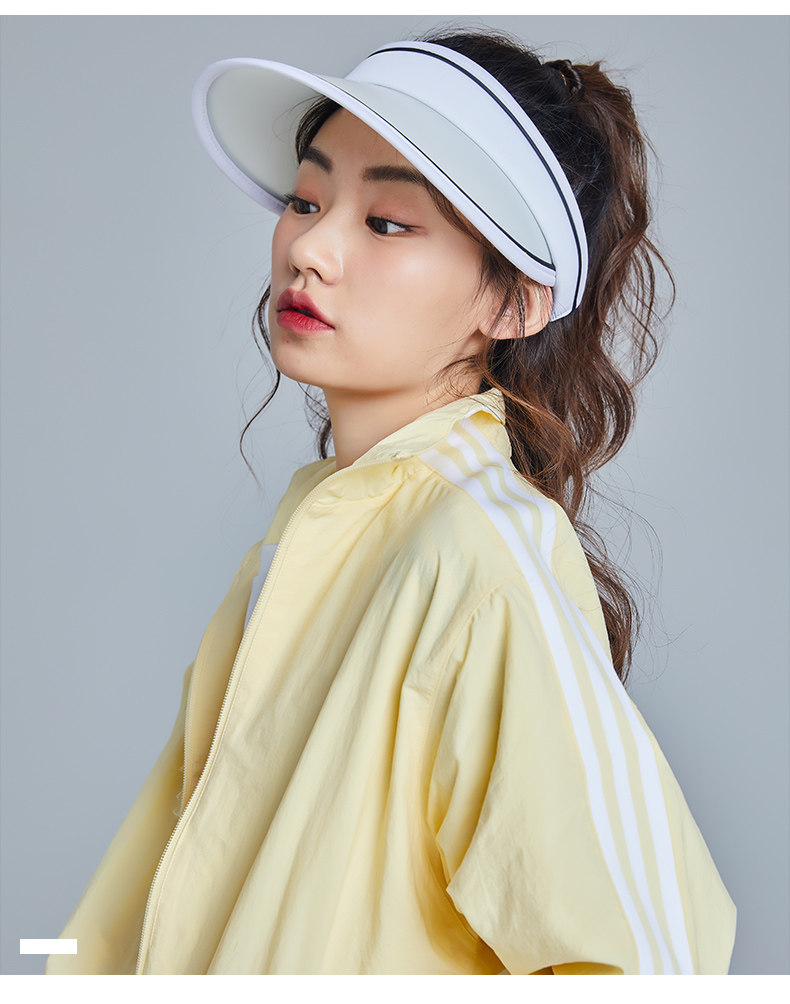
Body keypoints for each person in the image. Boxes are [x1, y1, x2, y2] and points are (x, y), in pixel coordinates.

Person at [46, 28, 736, 975]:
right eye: (306, 199)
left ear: (515, 303)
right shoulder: (315, 540)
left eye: (389, 222)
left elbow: (647, 963)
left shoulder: (478, 558)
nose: (310, 248)